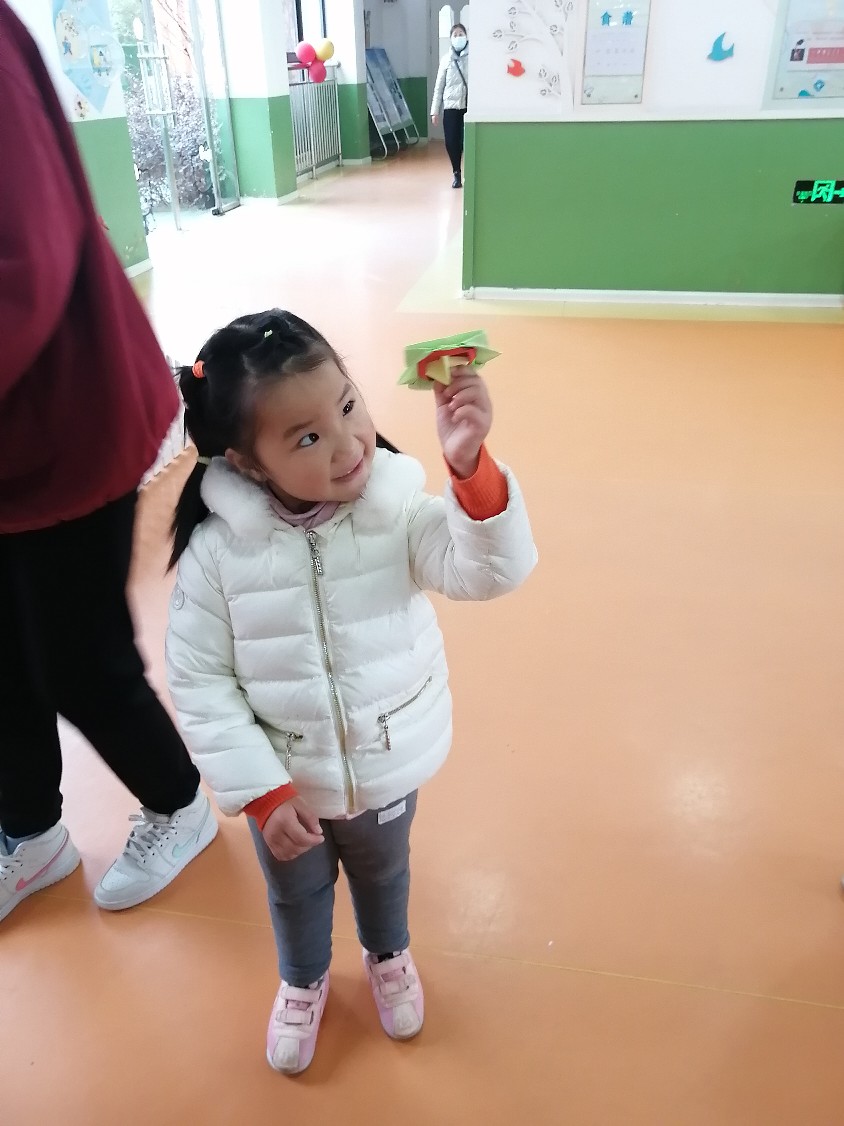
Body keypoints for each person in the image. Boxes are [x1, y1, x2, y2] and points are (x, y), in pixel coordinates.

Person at [165, 309, 537, 1074]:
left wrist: (470, 466)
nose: (350, 443)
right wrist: (262, 793)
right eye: (307, 438)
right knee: (296, 895)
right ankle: (302, 982)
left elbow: (488, 573)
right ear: (245, 462)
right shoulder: (218, 555)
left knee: (385, 874)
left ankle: (388, 954)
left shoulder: (393, 510)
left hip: (388, 764)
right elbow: (200, 681)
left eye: (347, 406)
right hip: (287, 790)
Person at [0, 0, 217, 925]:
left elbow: (27, 262)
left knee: (79, 660)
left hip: (65, 417)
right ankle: (31, 832)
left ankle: (180, 803)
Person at [431, 23, 469, 189]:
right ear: (451, 38)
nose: (458, 37)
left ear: (466, 36)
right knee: (451, 141)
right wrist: (435, 111)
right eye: (455, 35)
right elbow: (439, 87)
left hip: (469, 105)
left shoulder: (474, 57)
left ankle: (470, 172)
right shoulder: (446, 60)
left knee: (467, 141)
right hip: (451, 106)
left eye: (461, 34)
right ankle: (456, 172)